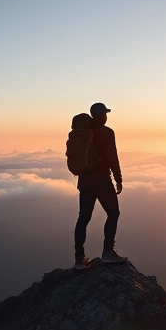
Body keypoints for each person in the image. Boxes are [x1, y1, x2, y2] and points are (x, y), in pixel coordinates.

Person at [73, 102, 128, 270]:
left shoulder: (83, 133)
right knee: (113, 212)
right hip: (102, 181)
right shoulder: (106, 133)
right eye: (105, 113)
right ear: (101, 115)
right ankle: (108, 252)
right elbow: (113, 157)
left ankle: (79, 258)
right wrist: (118, 179)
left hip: (84, 182)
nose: (106, 116)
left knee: (83, 218)